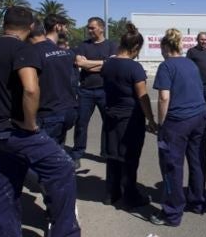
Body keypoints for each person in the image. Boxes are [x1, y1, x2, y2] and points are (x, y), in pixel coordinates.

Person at [0, 6, 92, 237]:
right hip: (16, 130)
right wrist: (29, 123)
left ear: (4, 25)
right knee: (62, 168)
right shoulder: (24, 50)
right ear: (30, 27)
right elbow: (30, 88)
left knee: (1, 185)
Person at [150, 29, 206, 226]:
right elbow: (200, 89)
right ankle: (197, 201)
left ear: (165, 47)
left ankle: (172, 213)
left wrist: (160, 123)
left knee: (172, 165)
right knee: (197, 160)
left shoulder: (166, 66)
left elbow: (164, 97)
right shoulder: (190, 63)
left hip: (178, 121)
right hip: (199, 116)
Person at [100, 23, 157, 207]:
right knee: (130, 158)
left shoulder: (107, 64)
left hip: (111, 116)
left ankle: (111, 193)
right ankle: (130, 195)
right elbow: (142, 96)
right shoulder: (134, 68)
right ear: (135, 48)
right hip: (130, 118)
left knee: (113, 155)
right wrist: (151, 119)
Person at [71, 17, 118, 169]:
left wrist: (89, 64)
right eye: (88, 28)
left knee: (109, 123)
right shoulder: (83, 46)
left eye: (92, 28)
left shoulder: (112, 45)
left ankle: (106, 153)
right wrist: (103, 63)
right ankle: (77, 153)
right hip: (85, 91)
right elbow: (79, 63)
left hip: (105, 90)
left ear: (102, 28)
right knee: (81, 124)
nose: (89, 30)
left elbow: (111, 65)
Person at [28, 16, 77, 146]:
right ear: (57, 26)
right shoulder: (66, 53)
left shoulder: (32, 52)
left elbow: (30, 88)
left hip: (48, 114)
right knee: (57, 153)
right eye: (65, 26)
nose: (67, 30)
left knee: (44, 157)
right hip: (67, 110)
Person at [185, 33, 206, 192]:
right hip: (196, 82)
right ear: (197, 40)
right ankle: (201, 126)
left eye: (205, 40)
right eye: (202, 39)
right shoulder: (191, 52)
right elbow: (189, 67)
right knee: (199, 105)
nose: (204, 41)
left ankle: (205, 125)